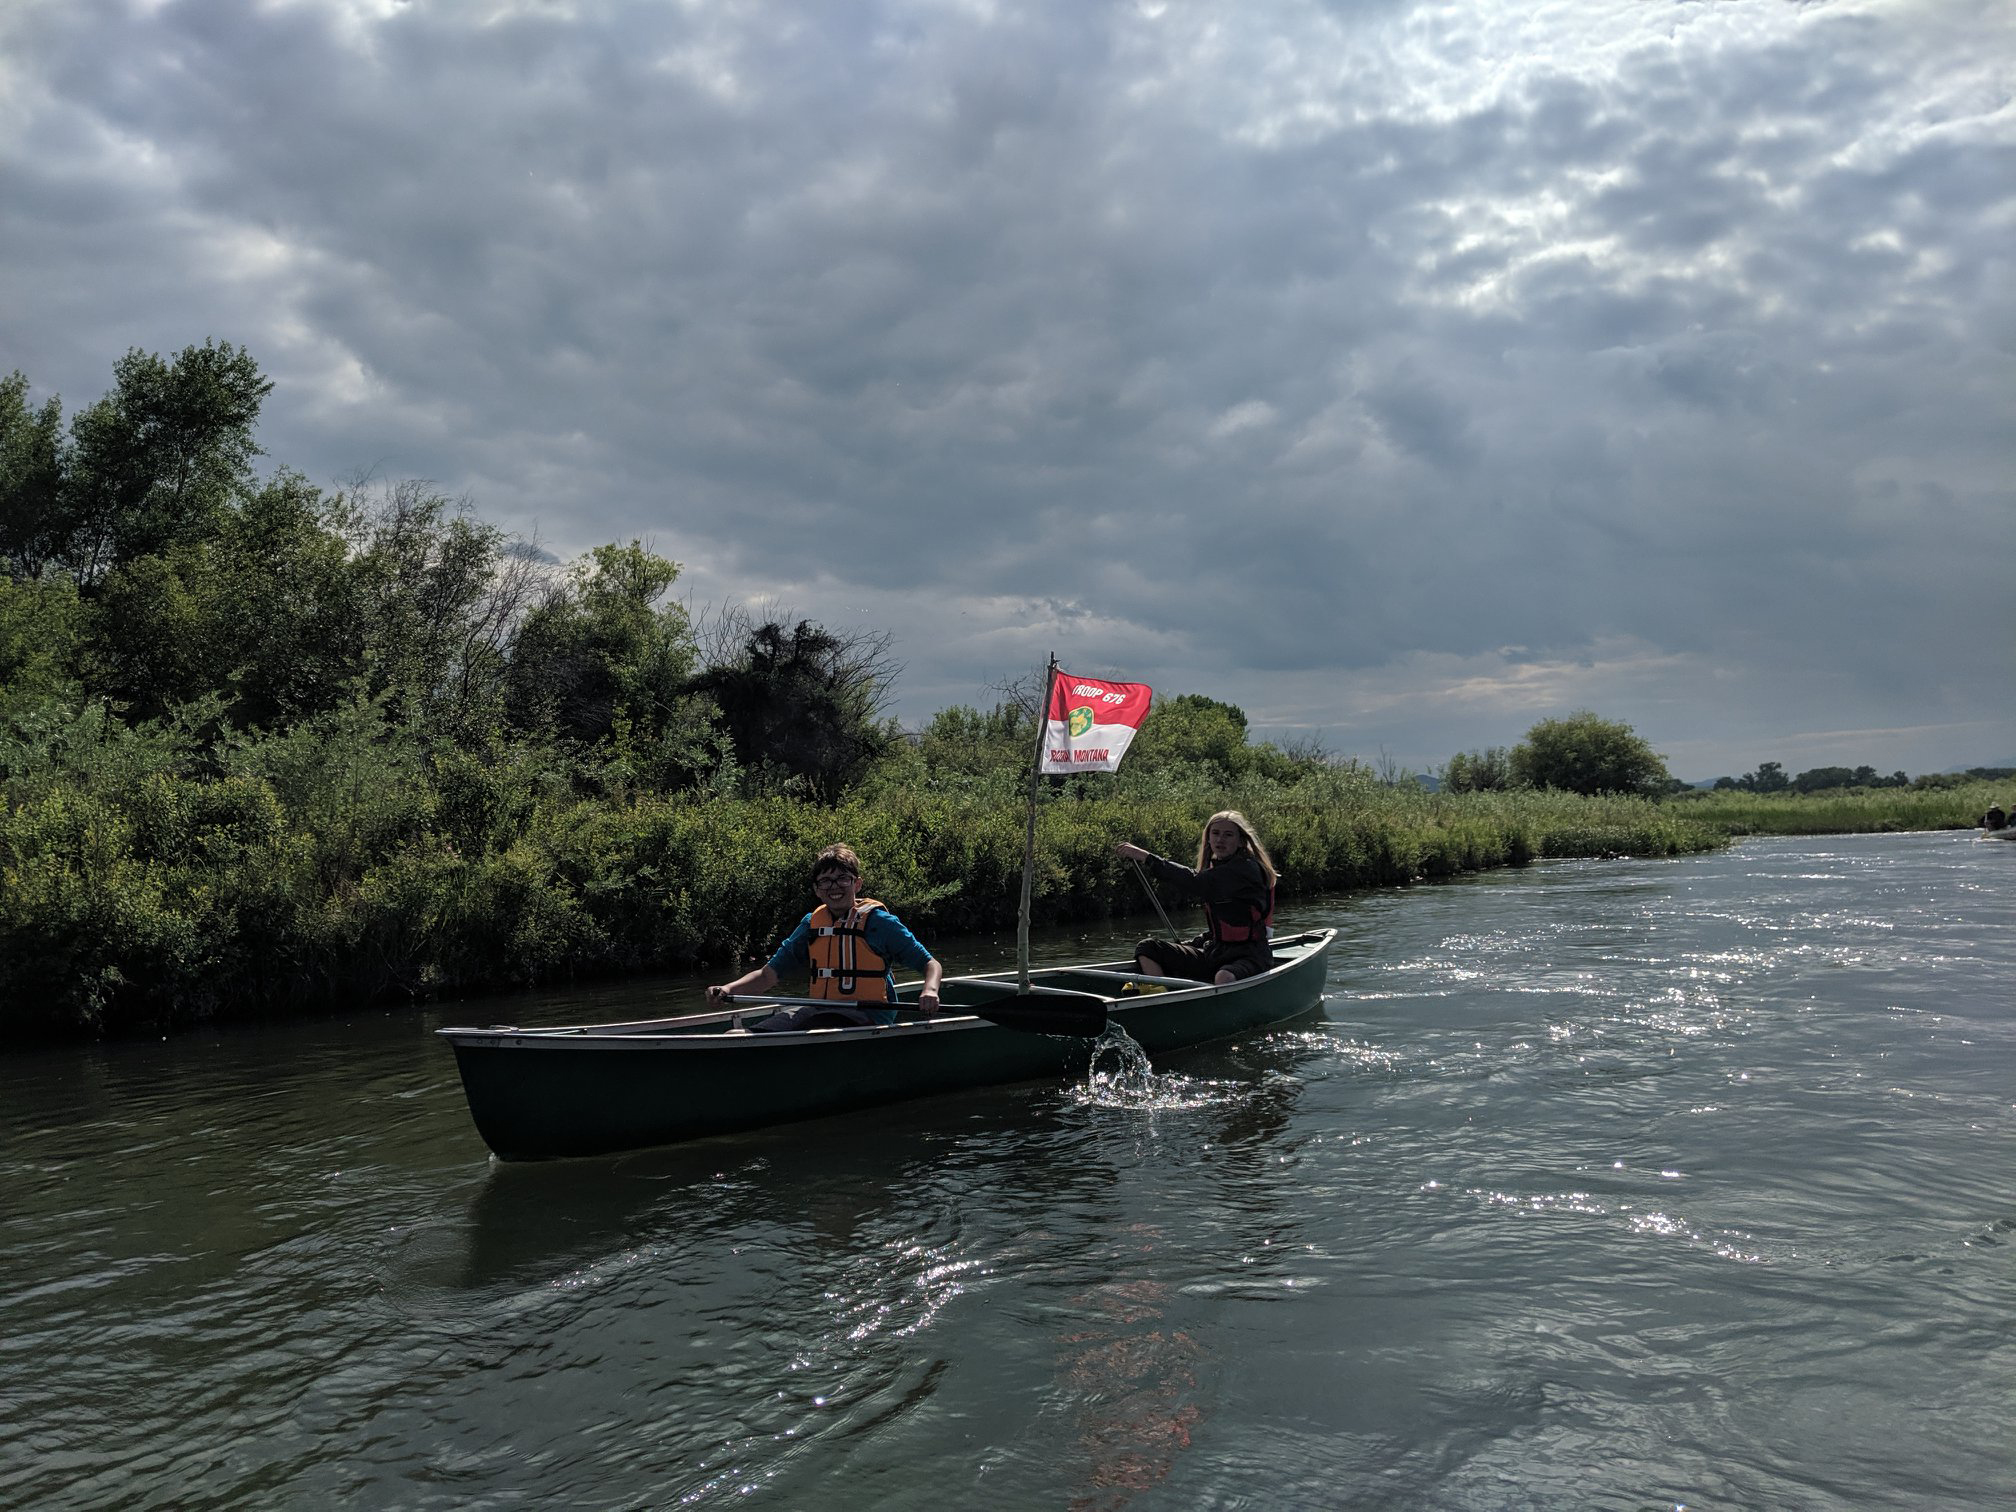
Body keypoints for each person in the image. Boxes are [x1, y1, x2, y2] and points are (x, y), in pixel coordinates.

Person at [706, 844, 943, 1031]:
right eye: (826, 881)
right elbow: (767, 976)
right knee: (741, 1036)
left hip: (867, 1015)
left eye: (842, 878)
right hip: (818, 1010)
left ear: (856, 884)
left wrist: (930, 990)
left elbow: (930, 964)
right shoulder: (811, 924)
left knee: (812, 1028)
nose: (834, 887)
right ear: (817, 890)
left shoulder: (879, 923)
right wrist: (727, 988)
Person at [1115, 810, 1278, 986]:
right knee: (1147, 948)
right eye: (1215, 833)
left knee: (1224, 977)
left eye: (1228, 835)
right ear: (1208, 838)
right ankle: (1160, 994)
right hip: (1216, 952)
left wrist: (1145, 857)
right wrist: (1194, 943)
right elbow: (1222, 927)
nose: (1220, 840)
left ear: (1240, 841)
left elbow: (1194, 881)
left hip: (1251, 955)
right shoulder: (1217, 870)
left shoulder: (1245, 869)